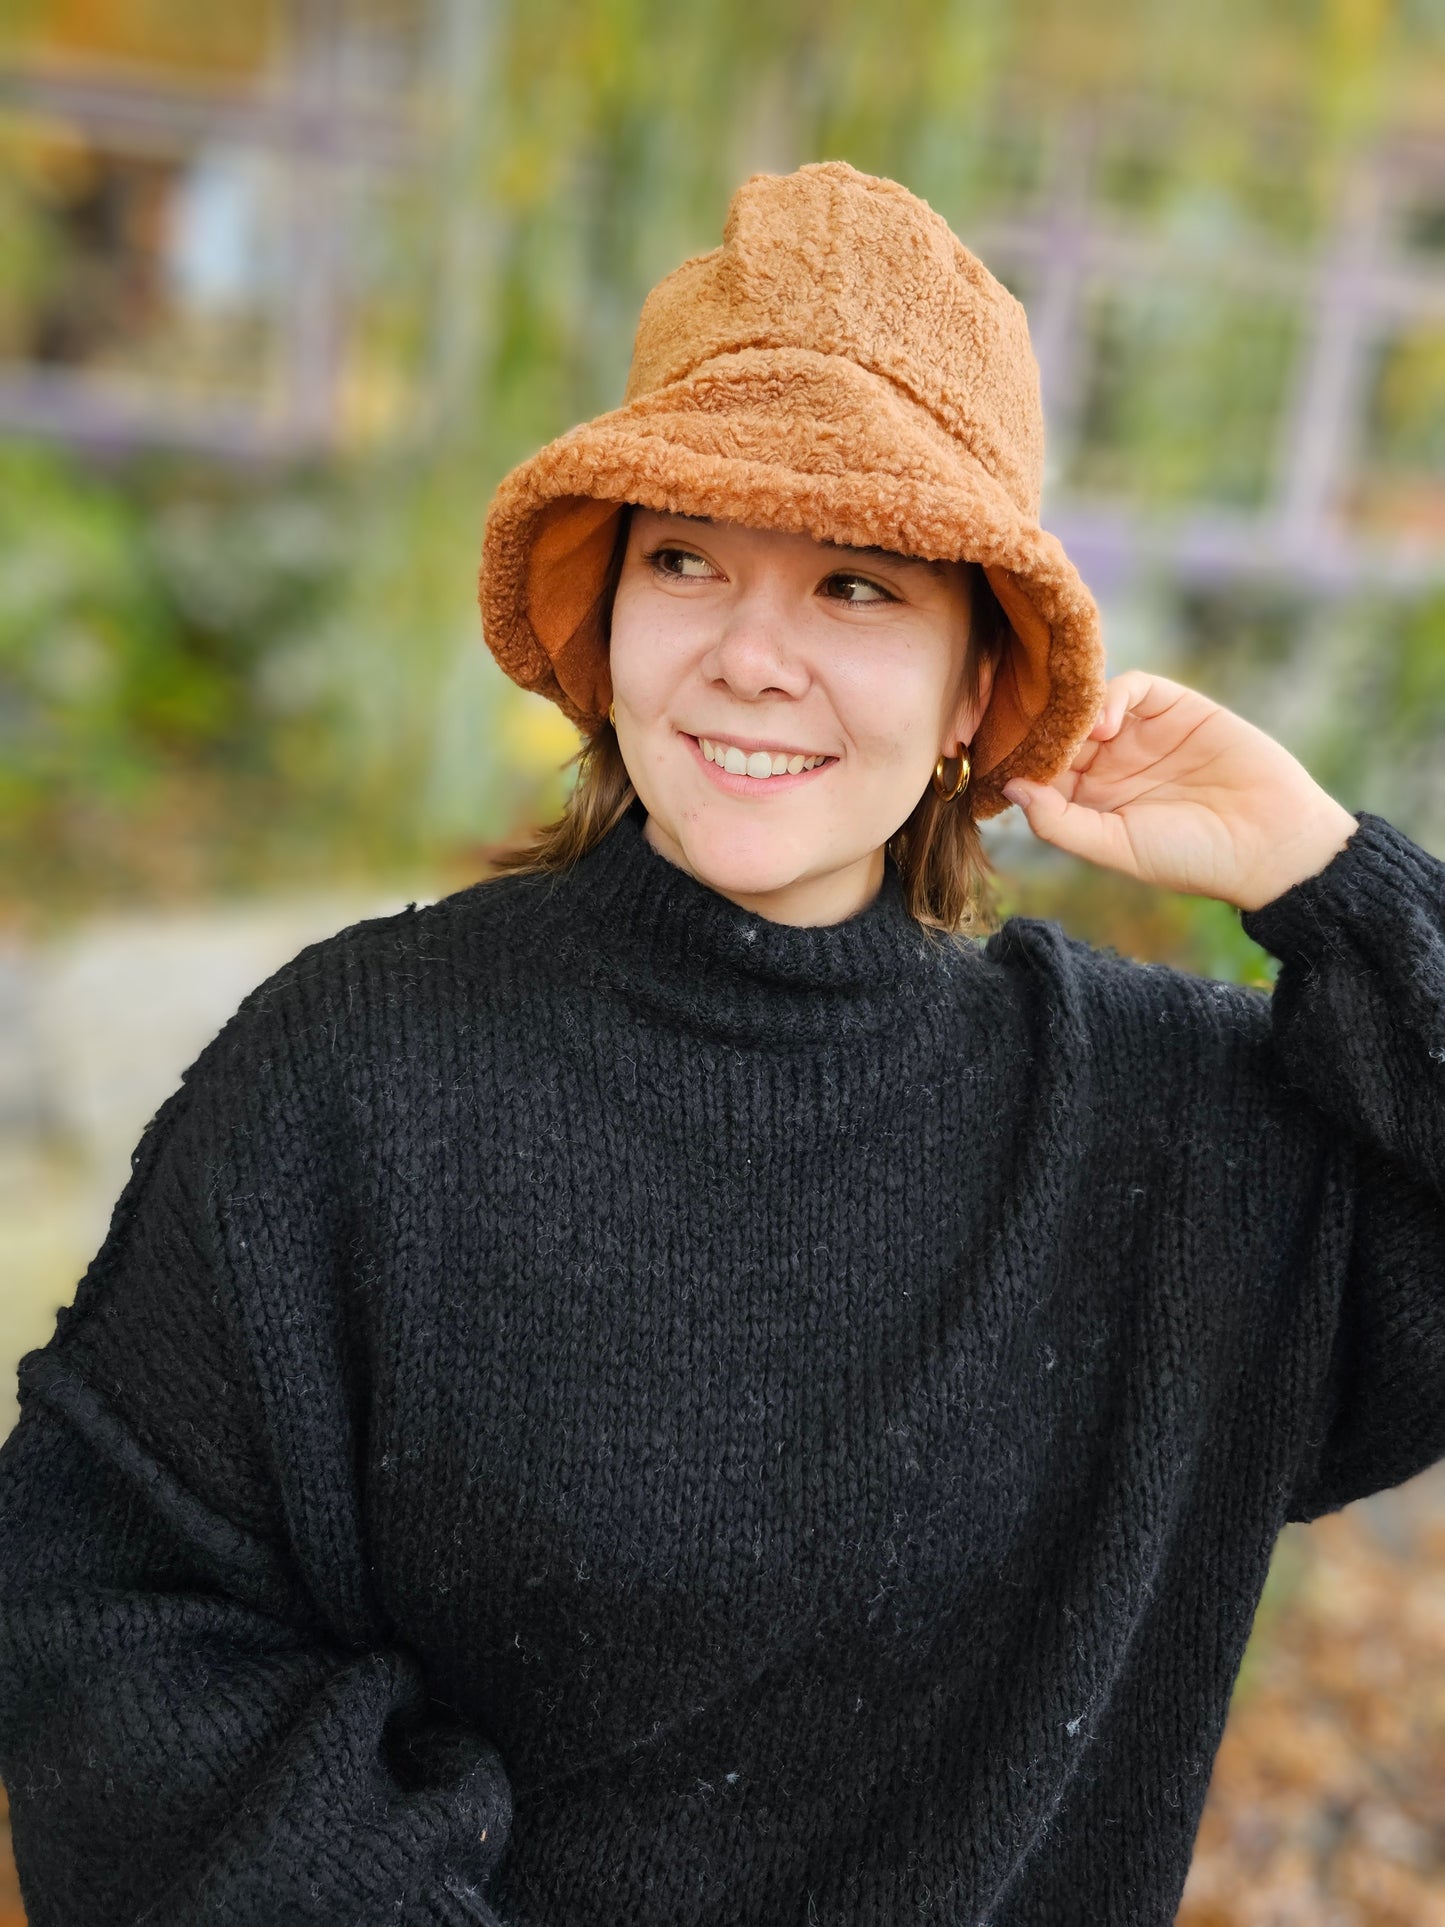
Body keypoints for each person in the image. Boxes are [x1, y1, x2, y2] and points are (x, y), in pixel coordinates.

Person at [0, 159, 1440, 1927]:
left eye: (856, 587)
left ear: (979, 689)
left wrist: (1337, 883)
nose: (753, 655)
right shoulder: (359, 1069)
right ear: (605, 625)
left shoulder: (1162, 1134)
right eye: (686, 560)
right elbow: (118, 1599)